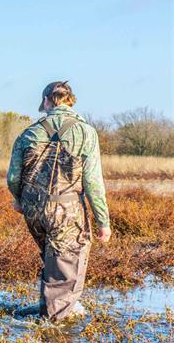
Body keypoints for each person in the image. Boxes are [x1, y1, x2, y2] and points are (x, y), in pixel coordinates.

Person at [7, 81, 112, 321]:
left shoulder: (29, 133)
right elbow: (93, 182)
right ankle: (55, 326)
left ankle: (54, 306)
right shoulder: (86, 132)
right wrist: (103, 222)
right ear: (69, 100)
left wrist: (18, 199)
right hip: (67, 209)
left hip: (34, 211)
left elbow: (13, 177)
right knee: (67, 266)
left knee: (53, 259)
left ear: (46, 102)